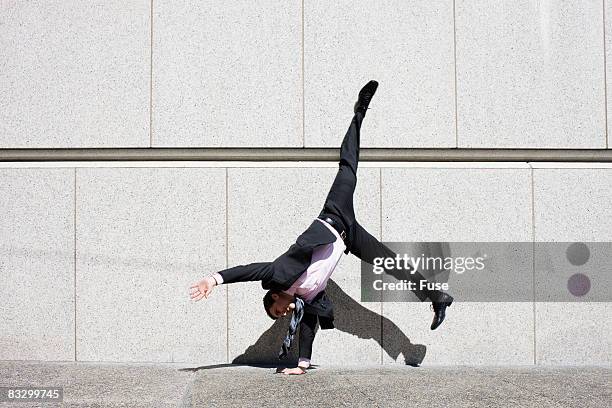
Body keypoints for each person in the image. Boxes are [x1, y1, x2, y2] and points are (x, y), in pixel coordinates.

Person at [189, 80, 453, 375]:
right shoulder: (306, 300)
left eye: (278, 310)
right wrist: (302, 365)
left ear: (276, 296)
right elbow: (307, 325)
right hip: (349, 237)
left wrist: (212, 280)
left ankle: (359, 113)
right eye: (280, 316)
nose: (283, 313)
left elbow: (248, 270)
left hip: (333, 217)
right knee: (391, 262)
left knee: (347, 169)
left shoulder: (278, 272)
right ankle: (438, 297)